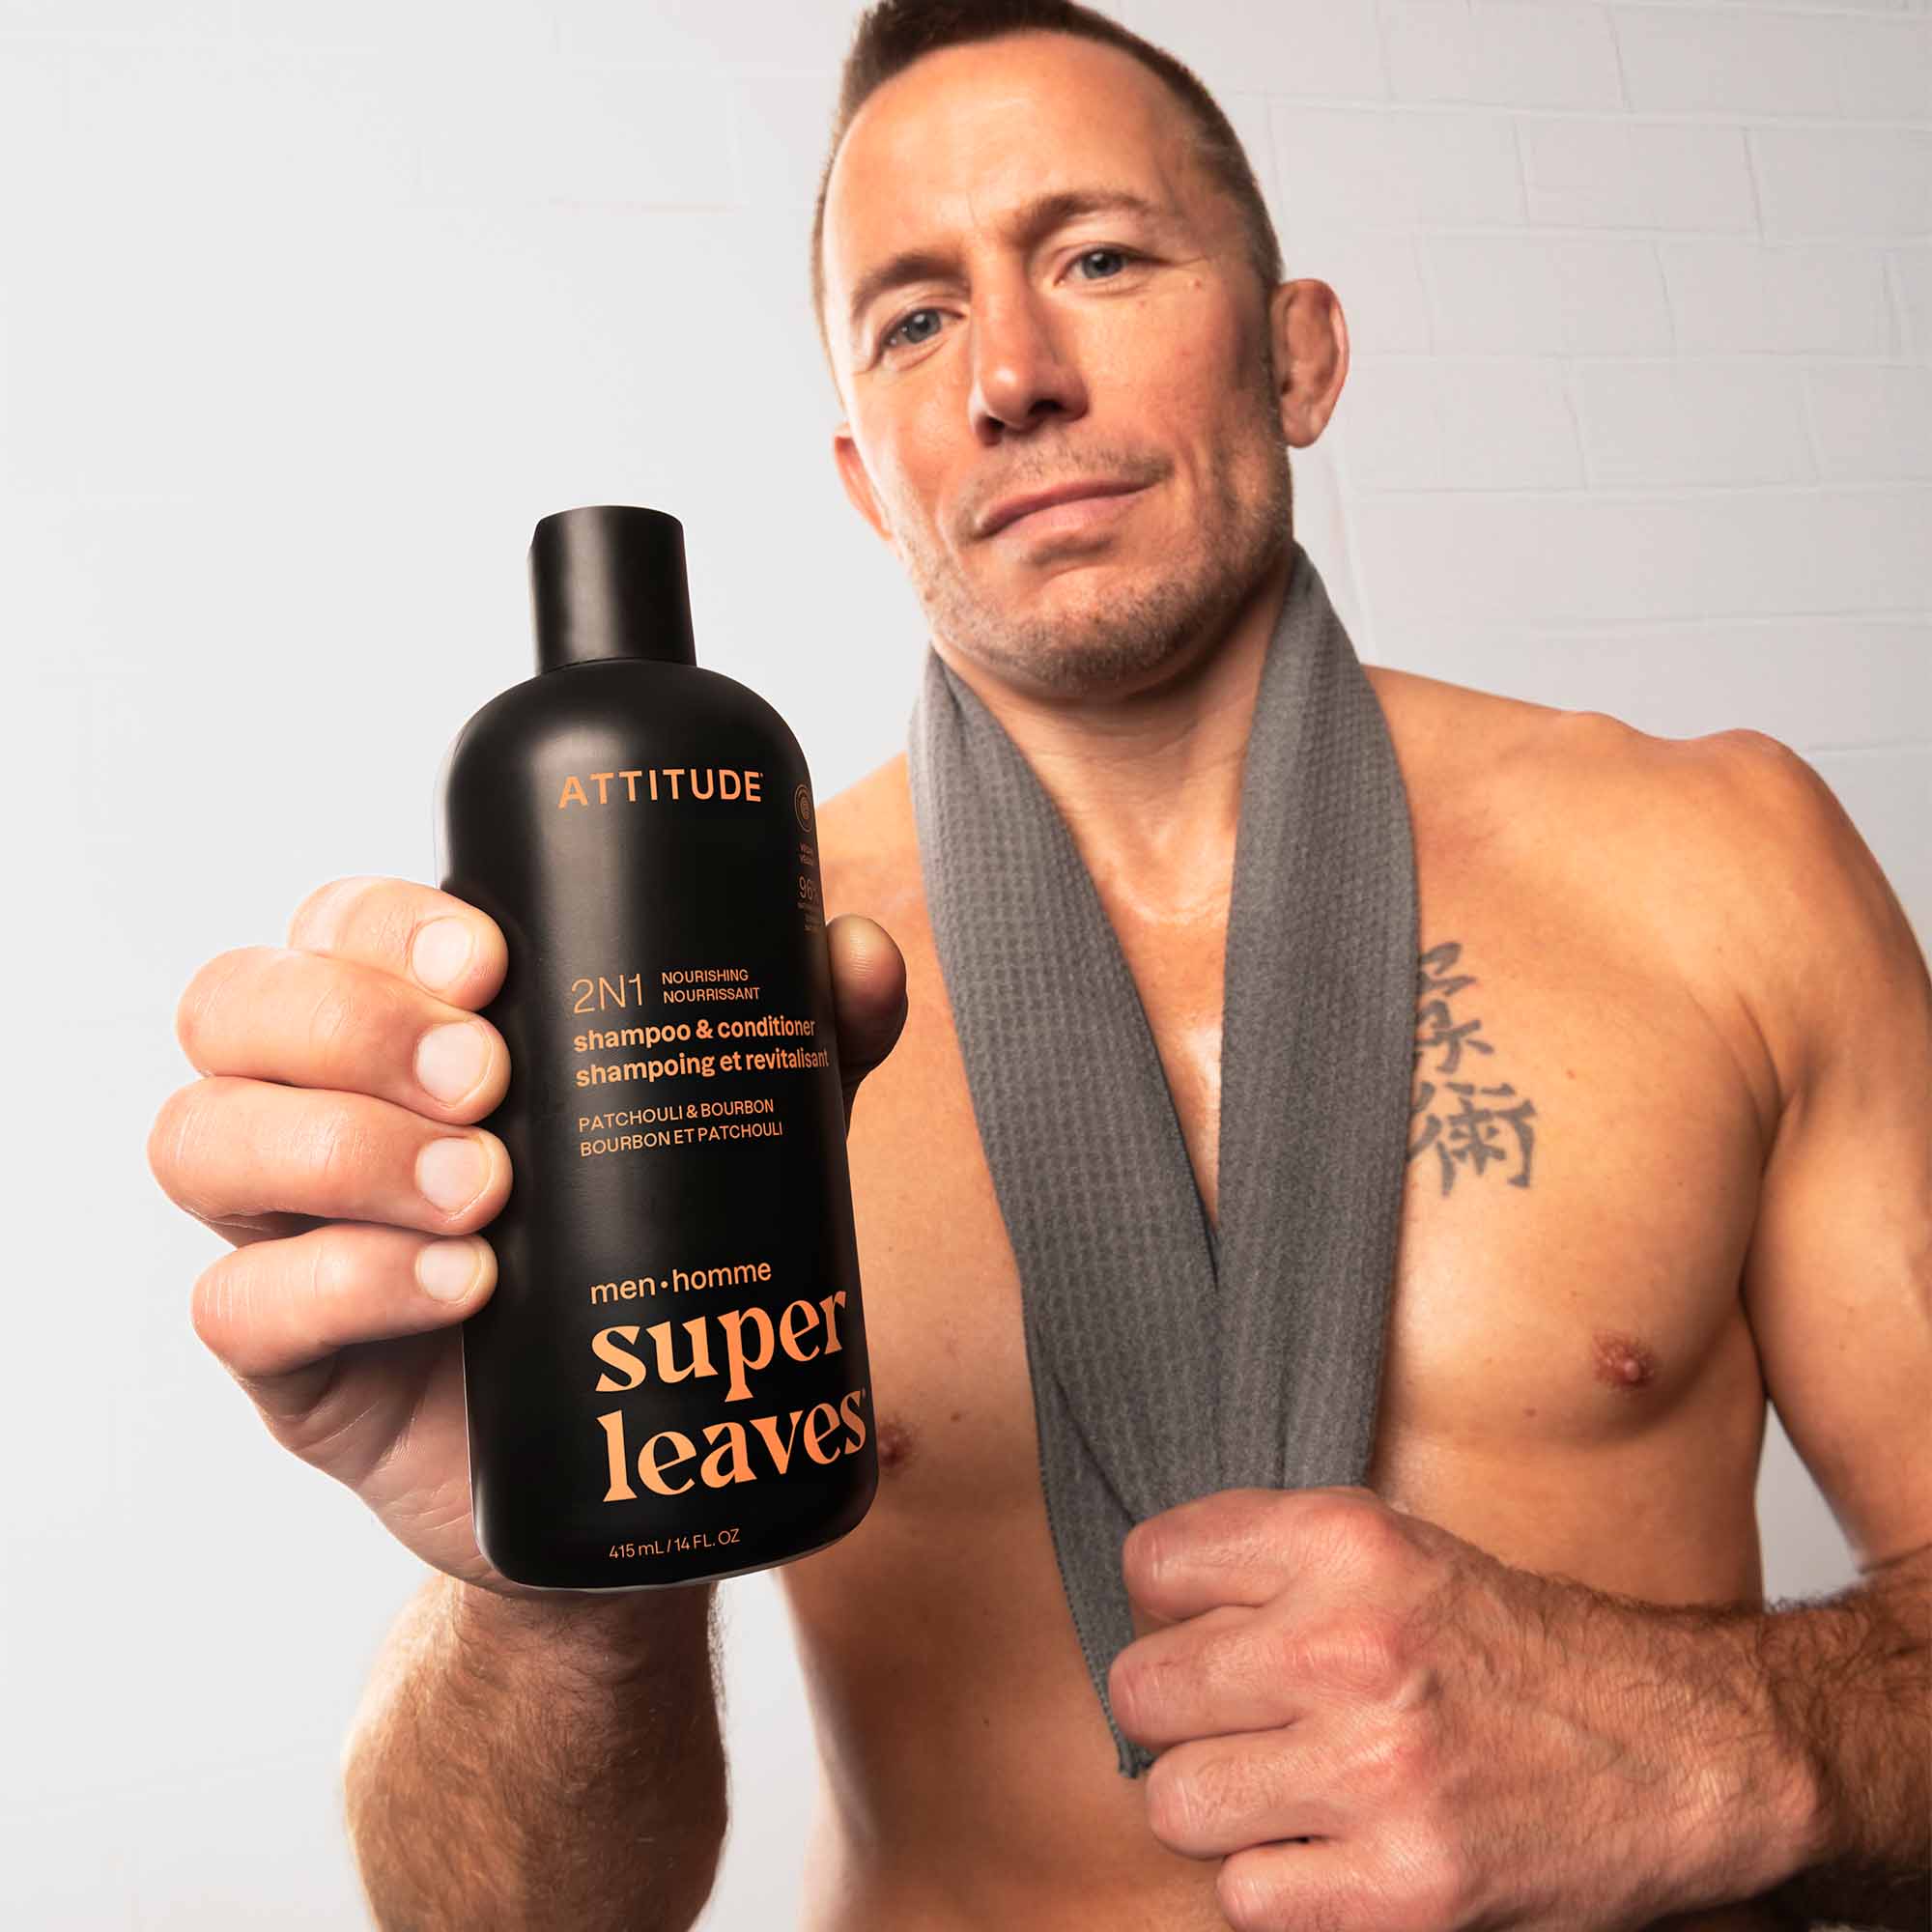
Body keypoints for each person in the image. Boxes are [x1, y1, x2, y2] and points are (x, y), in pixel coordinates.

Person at [148, 4, 1932, 1929]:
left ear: (1299, 350)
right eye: (917, 318)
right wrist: (542, 1583)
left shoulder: (1716, 862)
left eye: (1097, 258)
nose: (1011, 375)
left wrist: (1729, 1738)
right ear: (868, 476)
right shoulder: (711, 1009)